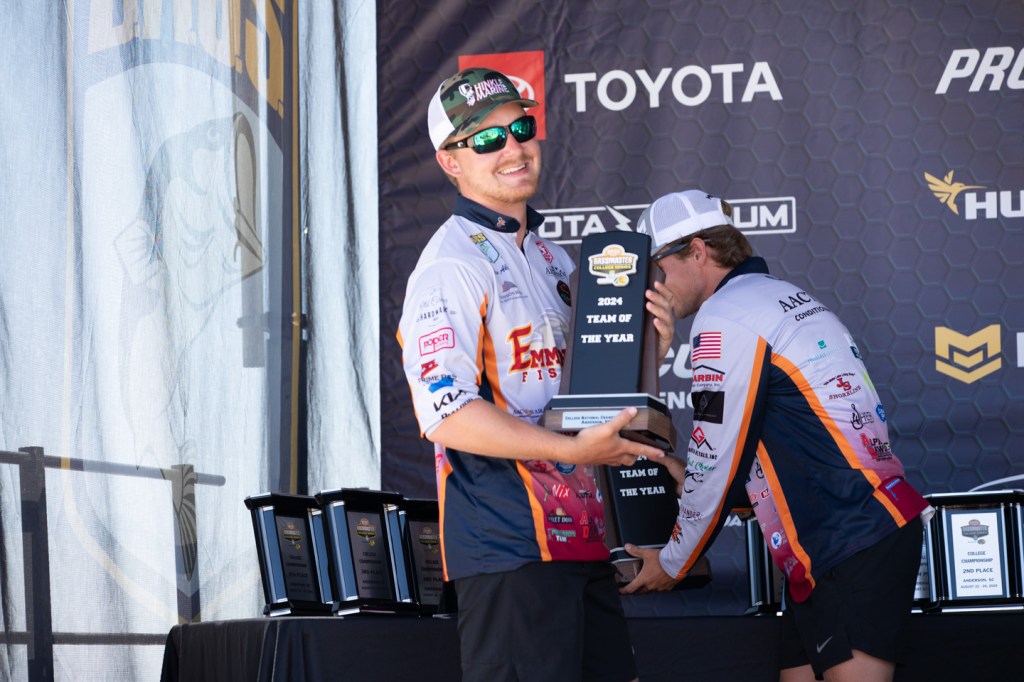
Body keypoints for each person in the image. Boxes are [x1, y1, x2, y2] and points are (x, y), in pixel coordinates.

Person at [397, 67, 675, 682]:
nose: (513, 148)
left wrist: (647, 352)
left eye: (520, 129)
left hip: (584, 539)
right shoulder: (450, 265)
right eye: (487, 139)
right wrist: (572, 450)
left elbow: (587, 396)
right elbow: (446, 414)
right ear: (450, 162)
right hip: (508, 544)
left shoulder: (554, 258)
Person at [620, 189, 933, 682]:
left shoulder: (726, 315)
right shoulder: (776, 296)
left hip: (850, 537)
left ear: (697, 251)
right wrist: (713, 484)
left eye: (655, 268)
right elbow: (798, 441)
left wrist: (674, 562)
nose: (651, 285)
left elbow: (715, 463)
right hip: (840, 535)